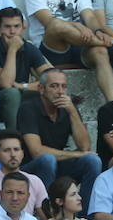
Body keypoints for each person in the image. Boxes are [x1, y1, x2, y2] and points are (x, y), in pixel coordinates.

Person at [23, 0, 113, 103]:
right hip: (51, 48)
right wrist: (76, 25)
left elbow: (90, 17)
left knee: (100, 52)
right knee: (57, 26)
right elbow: (48, 22)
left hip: (79, 44)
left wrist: (98, 32)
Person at [16, 69, 103, 206]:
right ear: (41, 88)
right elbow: (36, 151)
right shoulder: (28, 108)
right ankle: (47, 211)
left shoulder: (68, 108)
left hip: (58, 165)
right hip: (31, 168)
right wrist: (75, 154)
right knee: (47, 159)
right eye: (54, 86)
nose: (60, 91)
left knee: (92, 160)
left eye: (63, 86)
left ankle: (86, 216)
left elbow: (85, 147)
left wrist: (73, 112)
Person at [0, 7, 53, 134]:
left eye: (16, 26)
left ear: (23, 27)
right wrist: (12, 50)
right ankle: (15, 139)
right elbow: (6, 84)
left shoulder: (28, 48)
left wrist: (23, 86)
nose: (12, 31)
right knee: (12, 93)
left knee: (55, 90)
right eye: (7, 26)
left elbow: (52, 78)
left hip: (22, 95)